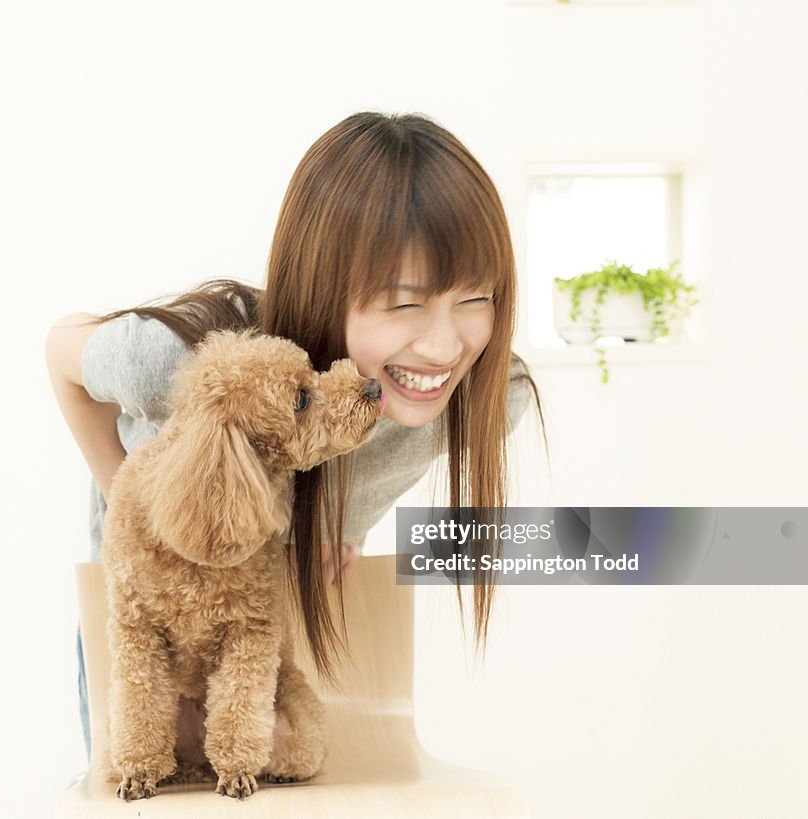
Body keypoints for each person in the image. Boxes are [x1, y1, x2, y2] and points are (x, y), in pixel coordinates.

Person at [45, 111, 547, 766]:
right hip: (149, 627)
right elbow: (62, 350)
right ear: (323, 287)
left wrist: (346, 520)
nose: (445, 346)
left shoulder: (486, 394)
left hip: (265, 614)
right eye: (404, 303)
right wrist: (133, 501)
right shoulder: (177, 361)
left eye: (475, 297)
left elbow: (378, 453)